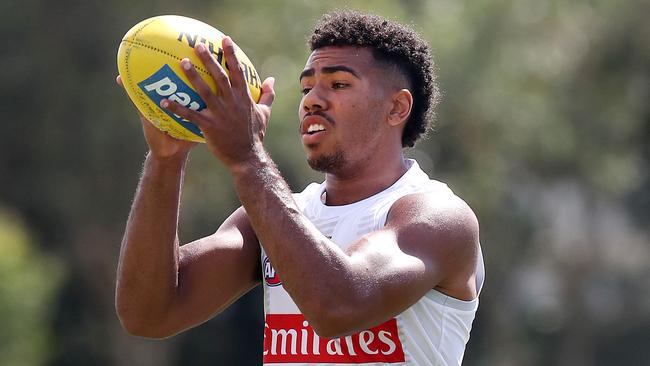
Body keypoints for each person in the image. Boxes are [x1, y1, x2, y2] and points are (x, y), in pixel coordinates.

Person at [116, 10, 484, 366]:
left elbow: (338, 307)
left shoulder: (439, 218)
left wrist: (247, 157)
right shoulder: (271, 217)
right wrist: (166, 159)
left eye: (338, 84)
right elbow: (149, 315)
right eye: (307, 86)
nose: (311, 100)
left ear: (397, 107)